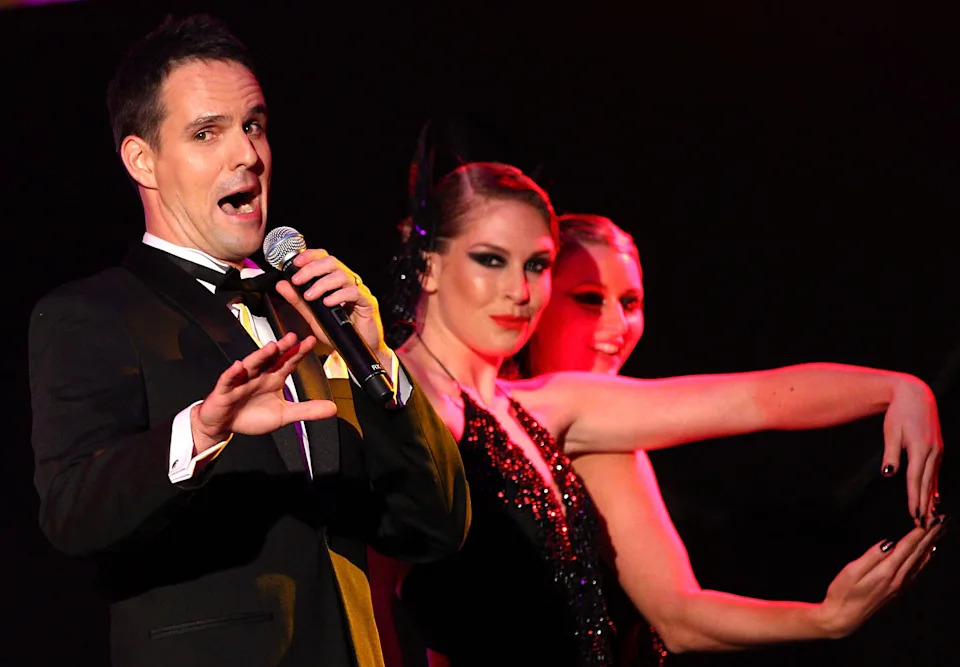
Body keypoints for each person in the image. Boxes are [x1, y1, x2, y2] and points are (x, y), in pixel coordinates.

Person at [27, 14, 470, 667]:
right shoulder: (93, 313)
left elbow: (435, 527)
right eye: (207, 132)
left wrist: (380, 364)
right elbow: (72, 513)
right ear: (141, 159)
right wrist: (202, 430)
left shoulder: (311, 314)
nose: (248, 155)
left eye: (253, 125)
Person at [379, 161, 944, 667]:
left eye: (537, 265)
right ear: (427, 265)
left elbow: (751, 399)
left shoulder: (548, 406)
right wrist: (824, 619)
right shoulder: (403, 394)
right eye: (491, 260)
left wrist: (900, 389)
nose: (520, 290)